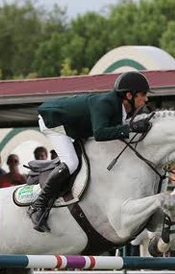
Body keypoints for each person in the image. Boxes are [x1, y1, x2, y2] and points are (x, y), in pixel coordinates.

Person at [28, 71, 151, 232]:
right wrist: (130, 128)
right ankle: (38, 206)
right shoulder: (106, 103)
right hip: (54, 122)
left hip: (74, 127)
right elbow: (100, 134)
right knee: (71, 163)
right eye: (143, 94)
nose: (146, 99)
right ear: (129, 95)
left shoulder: (122, 110)